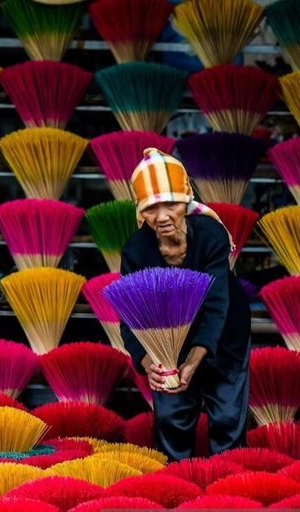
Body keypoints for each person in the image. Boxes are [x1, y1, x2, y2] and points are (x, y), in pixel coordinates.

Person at [119, 148, 252, 462]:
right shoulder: (135, 253)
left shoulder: (211, 236)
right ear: (139, 210)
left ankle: (227, 495)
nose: (163, 216)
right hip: (169, 347)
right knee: (171, 423)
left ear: (187, 198)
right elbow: (130, 320)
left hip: (225, 336)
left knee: (227, 419)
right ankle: (175, 493)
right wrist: (147, 362)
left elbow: (218, 305)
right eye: (152, 207)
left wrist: (194, 362)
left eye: (172, 204)